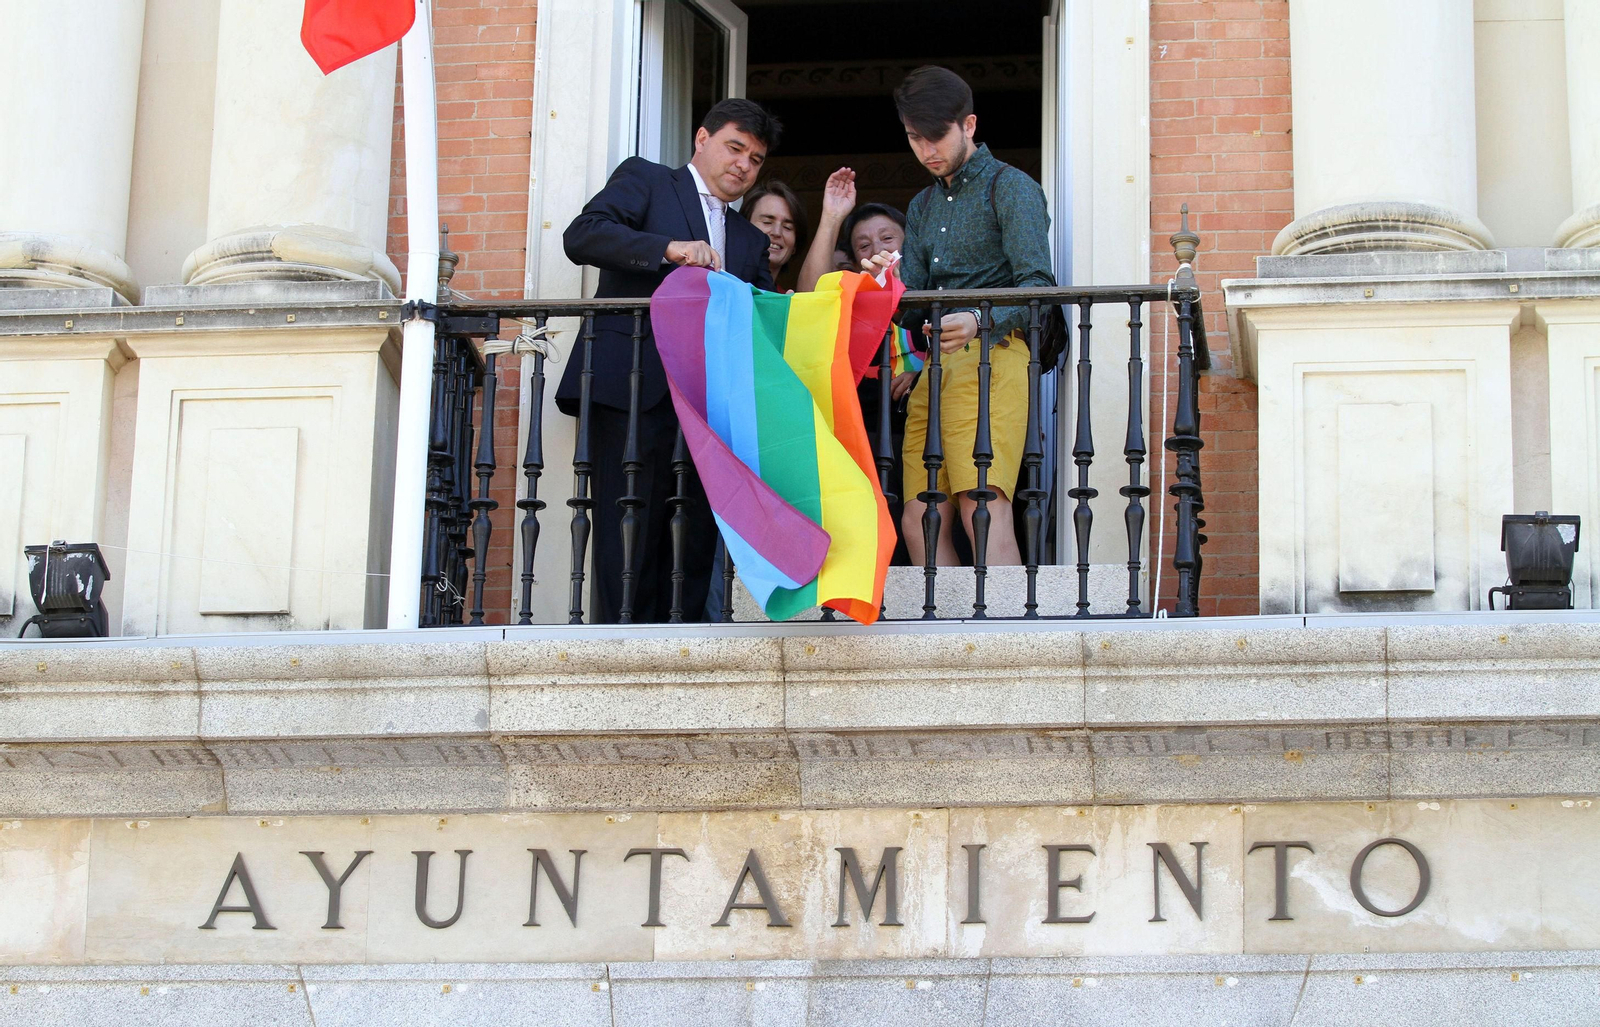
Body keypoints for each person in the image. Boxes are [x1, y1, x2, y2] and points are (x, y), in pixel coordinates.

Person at [561, 99, 781, 623]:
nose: (743, 165)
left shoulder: (750, 238)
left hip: (708, 409)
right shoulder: (649, 179)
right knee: (626, 533)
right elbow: (583, 234)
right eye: (735, 147)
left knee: (694, 539)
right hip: (634, 387)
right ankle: (620, 655)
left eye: (755, 159)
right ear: (702, 139)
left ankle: (680, 656)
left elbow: (767, 320)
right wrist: (670, 248)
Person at [892, 65, 1054, 568]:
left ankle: (1002, 635)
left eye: (935, 136)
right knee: (918, 514)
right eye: (915, 138)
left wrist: (979, 320)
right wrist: (885, 284)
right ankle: (942, 630)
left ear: (969, 125)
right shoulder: (920, 204)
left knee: (979, 503)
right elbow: (912, 301)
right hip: (935, 371)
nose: (926, 150)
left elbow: (1039, 286)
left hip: (994, 358)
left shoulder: (1011, 186)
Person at [739, 180, 807, 286]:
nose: (777, 232)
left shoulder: (787, 299)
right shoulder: (725, 287)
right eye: (767, 222)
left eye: (787, 227)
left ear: (795, 246)